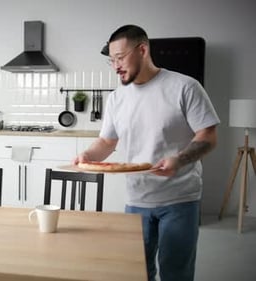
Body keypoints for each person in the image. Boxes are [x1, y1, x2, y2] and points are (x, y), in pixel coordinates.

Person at [75, 25, 219, 281]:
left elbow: (208, 136)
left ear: (142, 49)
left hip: (180, 199)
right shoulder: (117, 98)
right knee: (138, 273)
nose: (115, 66)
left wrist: (180, 159)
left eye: (120, 58)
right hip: (136, 200)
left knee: (176, 273)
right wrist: (88, 155)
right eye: (111, 60)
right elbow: (107, 141)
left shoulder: (184, 86)